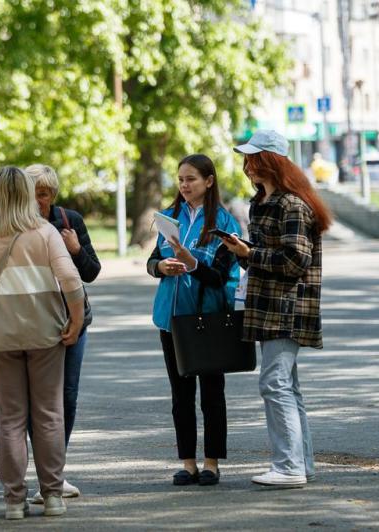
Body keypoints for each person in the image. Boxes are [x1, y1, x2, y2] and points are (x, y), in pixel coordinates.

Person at [0, 165, 84, 519]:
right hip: (46, 333)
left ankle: (14, 500)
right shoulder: (43, 231)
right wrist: (75, 320)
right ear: (26, 194)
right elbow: (71, 280)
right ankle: (53, 495)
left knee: (10, 420)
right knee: (48, 415)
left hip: (0, 334)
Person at [223, 130, 332, 488]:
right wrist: (243, 251)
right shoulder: (262, 202)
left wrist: (250, 254)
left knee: (274, 383)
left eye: (255, 158)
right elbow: (268, 256)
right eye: (247, 158)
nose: (248, 165)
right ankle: (301, 464)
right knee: (286, 386)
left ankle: (289, 467)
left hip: (287, 308)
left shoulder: (291, 205)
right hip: (268, 305)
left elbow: (295, 260)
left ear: (272, 161)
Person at [146, 154, 241, 487]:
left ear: (209, 181)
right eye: (181, 179)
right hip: (171, 319)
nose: (185, 186)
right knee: (180, 395)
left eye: (192, 179)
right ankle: (187, 463)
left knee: (212, 394)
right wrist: (161, 267)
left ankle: (212, 463)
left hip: (208, 317)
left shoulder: (226, 223)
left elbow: (221, 275)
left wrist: (191, 264)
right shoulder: (169, 216)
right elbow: (153, 260)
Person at [24, 163, 101, 502]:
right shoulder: (17, 225)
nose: (37, 201)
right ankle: (44, 473)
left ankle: (56, 472)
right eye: (31, 194)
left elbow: (92, 271)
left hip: (74, 319)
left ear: (52, 194)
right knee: (37, 400)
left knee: (66, 397)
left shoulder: (70, 221)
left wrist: (75, 249)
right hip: (34, 321)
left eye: (43, 194)